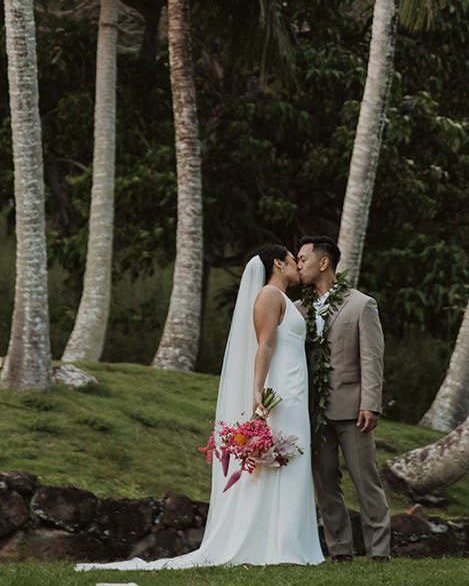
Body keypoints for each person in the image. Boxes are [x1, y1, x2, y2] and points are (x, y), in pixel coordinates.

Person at [77, 245, 324, 572]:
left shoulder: (285, 300)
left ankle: (290, 541)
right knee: (280, 458)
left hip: (294, 389)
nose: (298, 265)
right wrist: (256, 390)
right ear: (278, 263)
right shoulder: (268, 296)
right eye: (293, 259)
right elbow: (264, 344)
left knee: (292, 459)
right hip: (280, 388)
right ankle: (274, 542)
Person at [297, 237, 391, 562]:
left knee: (366, 481)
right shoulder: (299, 310)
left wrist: (371, 402)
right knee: (325, 482)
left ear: (324, 263)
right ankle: (340, 551)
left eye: (303, 259)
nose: (299, 265)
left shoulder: (361, 304)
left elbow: (372, 358)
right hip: (314, 412)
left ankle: (379, 552)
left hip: (354, 409)